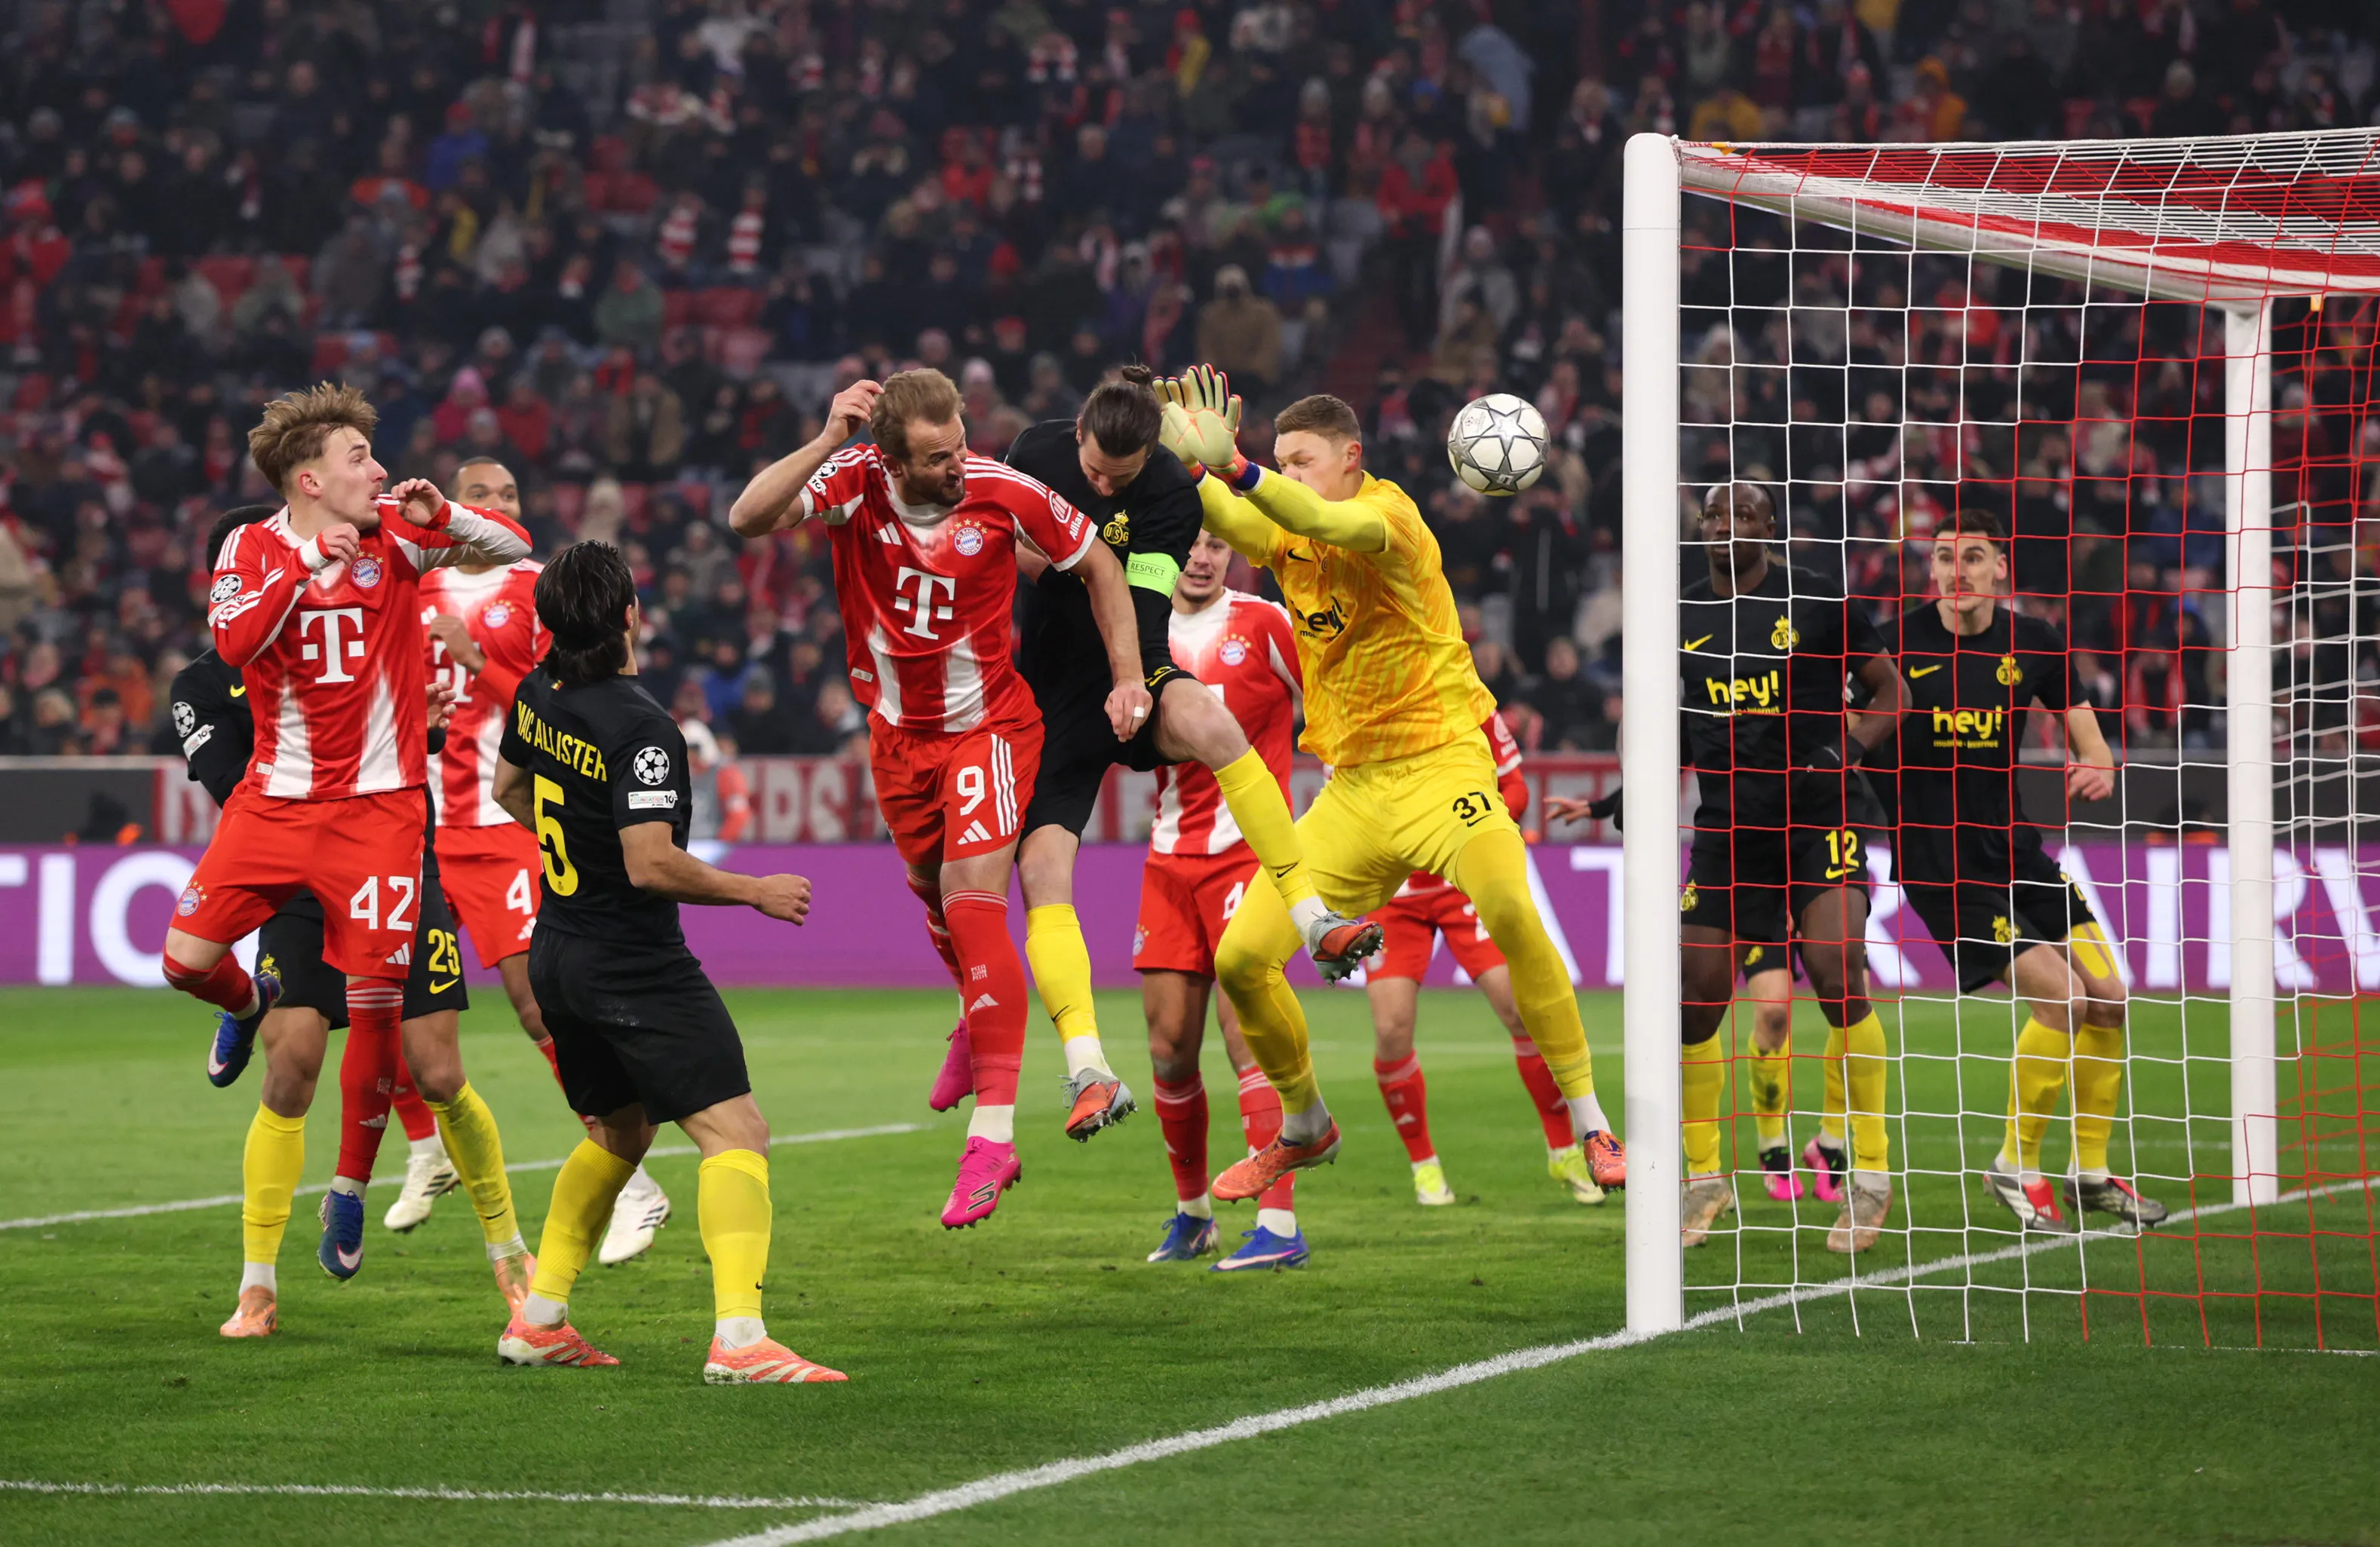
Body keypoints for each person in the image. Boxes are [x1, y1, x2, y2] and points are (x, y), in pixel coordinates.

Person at [1155, 368, 1626, 1217]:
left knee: (1513, 911)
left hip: (1444, 767)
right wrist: (1188, 468)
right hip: (1356, 793)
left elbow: (1315, 515)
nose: (1289, 473)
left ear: (1350, 457)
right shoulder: (1288, 533)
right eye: (1281, 460)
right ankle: (1304, 1122)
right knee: (1240, 960)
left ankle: (1591, 1122)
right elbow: (1236, 517)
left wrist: (1240, 472)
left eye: (1302, 460)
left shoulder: (1389, 516)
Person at [727, 369, 1152, 1228]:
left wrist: (1129, 677)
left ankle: (992, 1138)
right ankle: (973, 1013)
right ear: (891, 459)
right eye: (935, 458)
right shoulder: (852, 484)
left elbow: (1102, 565)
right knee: (929, 894)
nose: (958, 465)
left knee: (972, 903)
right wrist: (823, 440)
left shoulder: (1001, 491)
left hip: (989, 727)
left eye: (959, 444)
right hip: (897, 738)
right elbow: (747, 517)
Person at [163, 387, 536, 1334]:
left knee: (425, 1054)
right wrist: (305, 569)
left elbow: (510, 548)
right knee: (186, 966)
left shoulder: (397, 540)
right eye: (363, 457)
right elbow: (235, 640)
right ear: (310, 479)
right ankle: (243, 1011)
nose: (382, 469)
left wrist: (439, 514)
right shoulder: (251, 550)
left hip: (381, 816)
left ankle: (364, 1201)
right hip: (277, 810)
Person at [984, 367, 1376, 1149]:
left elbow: (1138, 598)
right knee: (1041, 872)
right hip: (1049, 694)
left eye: (1116, 479)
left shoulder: (1169, 488)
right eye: (1093, 468)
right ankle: (1088, 1066)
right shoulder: (1037, 450)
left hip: (1138, 664)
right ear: (1080, 432)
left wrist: (1133, 681)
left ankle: (1311, 917)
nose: (1100, 482)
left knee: (1213, 720)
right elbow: (1007, 555)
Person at [491, 541, 839, 1383]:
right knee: (736, 1132)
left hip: (558, 949)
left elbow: (506, 788)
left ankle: (539, 1320)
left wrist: (571, 838)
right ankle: (741, 1340)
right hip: (630, 960)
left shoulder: (538, 691)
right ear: (629, 617)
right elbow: (650, 863)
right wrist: (754, 890)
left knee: (621, 1130)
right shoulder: (644, 727)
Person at [414, 455, 674, 1261]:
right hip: (417, 824)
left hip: (500, 827)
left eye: (510, 496)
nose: (497, 506)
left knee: (537, 1007)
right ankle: (425, 1147)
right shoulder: (411, 587)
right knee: (386, 996)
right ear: (453, 508)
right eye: (481, 495)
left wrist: (472, 662)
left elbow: (551, 701)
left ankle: (632, 1177)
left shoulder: (534, 592)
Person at [1883, 508, 2161, 1233]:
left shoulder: (2033, 643)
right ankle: (2014, 1164)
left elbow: (2091, 742)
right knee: (2064, 1001)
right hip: (1941, 865)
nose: (1957, 572)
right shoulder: (1892, 647)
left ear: (2001, 567)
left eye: (1973, 557)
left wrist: (2099, 764)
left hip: (2016, 849)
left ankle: (2092, 1173)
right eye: (1945, 558)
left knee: (2111, 998)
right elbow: (1841, 736)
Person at [1671, 481, 1906, 1255]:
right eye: (1712, 513)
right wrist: (1623, 793)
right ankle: (1703, 1178)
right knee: (1698, 999)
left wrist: (1844, 751)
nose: (1723, 525)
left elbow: (1890, 693)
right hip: (1727, 834)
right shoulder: (1680, 614)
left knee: (1840, 970)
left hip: (1817, 822)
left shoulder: (1817, 602)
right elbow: (1681, 725)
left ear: (1770, 528)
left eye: (1740, 514)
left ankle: (1867, 1177)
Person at [1137, 531, 1311, 1271]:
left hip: (1249, 856)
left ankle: (1278, 1226)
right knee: (1170, 1049)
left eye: (1217, 545)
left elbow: (1327, 701)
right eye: (1191, 546)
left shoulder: (1264, 624)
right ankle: (1193, 1215)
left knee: (1247, 1037)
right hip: (1169, 858)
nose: (1204, 559)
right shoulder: (1143, 630)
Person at [1362, 712, 1608, 1208]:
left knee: (1519, 1009)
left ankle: (1562, 1148)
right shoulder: (1358, 713)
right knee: (1391, 1029)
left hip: (1459, 880)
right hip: (1391, 894)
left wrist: (1471, 820)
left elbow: (1515, 789)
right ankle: (1424, 1166)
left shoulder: (1467, 702)